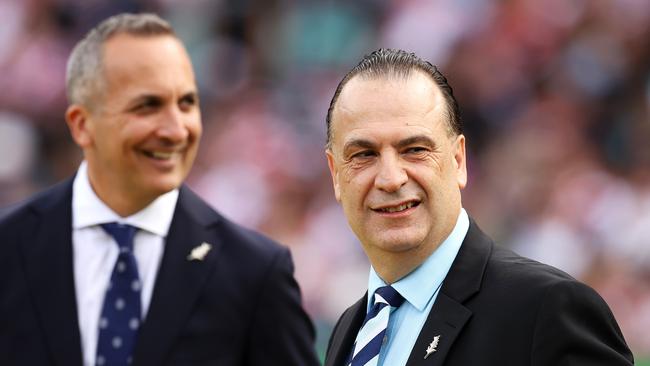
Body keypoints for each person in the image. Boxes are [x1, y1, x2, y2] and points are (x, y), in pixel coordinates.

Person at [0, 13, 319, 366]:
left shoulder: (254, 272)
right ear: (82, 125)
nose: (175, 130)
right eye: (147, 105)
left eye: (186, 103)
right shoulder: (11, 247)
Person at [323, 48, 634, 366]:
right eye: (363, 154)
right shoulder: (350, 328)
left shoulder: (546, 308)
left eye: (414, 149)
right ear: (336, 174)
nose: (390, 178)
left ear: (458, 161)